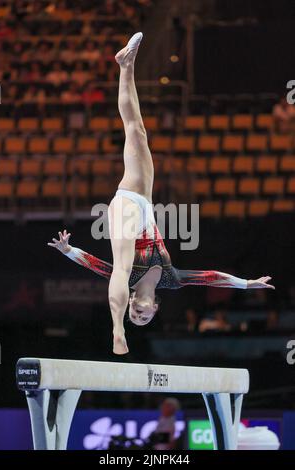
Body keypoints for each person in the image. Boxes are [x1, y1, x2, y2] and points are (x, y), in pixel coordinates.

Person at [48, 33, 275, 355]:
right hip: (143, 202)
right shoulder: (172, 278)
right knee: (137, 130)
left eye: (134, 314)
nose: (139, 312)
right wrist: (246, 283)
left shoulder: (125, 281)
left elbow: (94, 265)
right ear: (155, 307)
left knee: (121, 267)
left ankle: (117, 330)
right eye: (142, 316)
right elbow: (211, 277)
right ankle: (126, 65)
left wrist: (68, 250)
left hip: (126, 208)